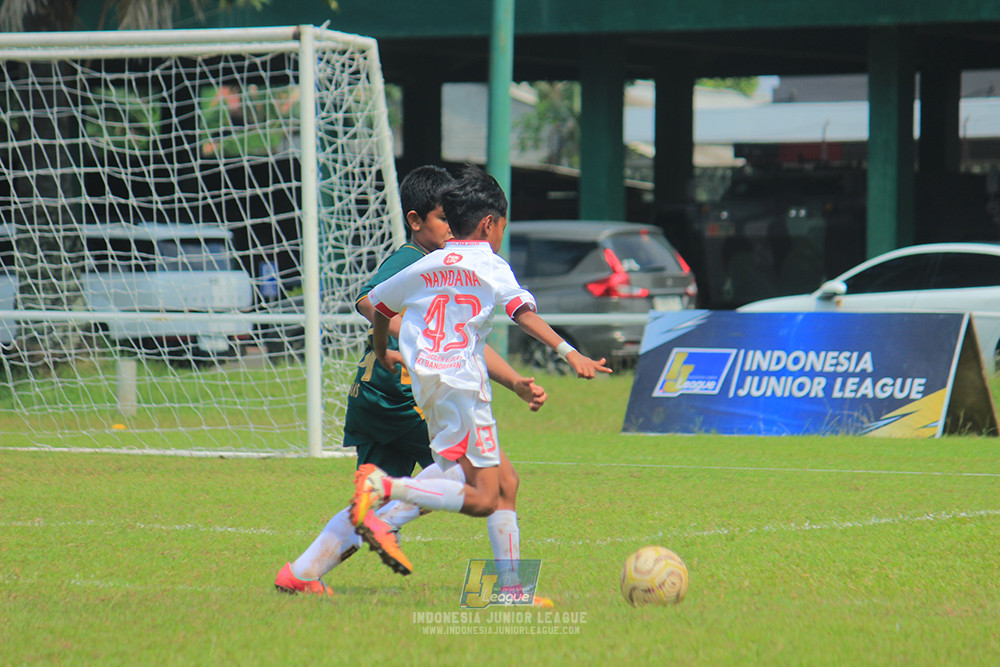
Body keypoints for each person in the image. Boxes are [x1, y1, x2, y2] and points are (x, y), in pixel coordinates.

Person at [274, 166, 546, 596]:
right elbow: (368, 299)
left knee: (402, 487)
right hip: (405, 394)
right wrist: (412, 336)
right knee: (495, 482)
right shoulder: (418, 261)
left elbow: (465, 338)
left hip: (383, 396)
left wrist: (512, 380)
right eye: (442, 218)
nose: (450, 228)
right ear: (417, 221)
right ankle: (509, 592)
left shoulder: (449, 264)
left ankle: (301, 573)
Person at [350, 165, 612, 601]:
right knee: (485, 497)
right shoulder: (490, 266)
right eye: (502, 227)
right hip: (465, 390)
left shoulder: (430, 262)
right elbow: (523, 314)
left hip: (432, 389)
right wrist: (571, 353)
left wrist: (381, 350)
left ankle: (511, 591)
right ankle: (384, 487)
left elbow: (376, 304)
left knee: (506, 483)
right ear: (490, 223)